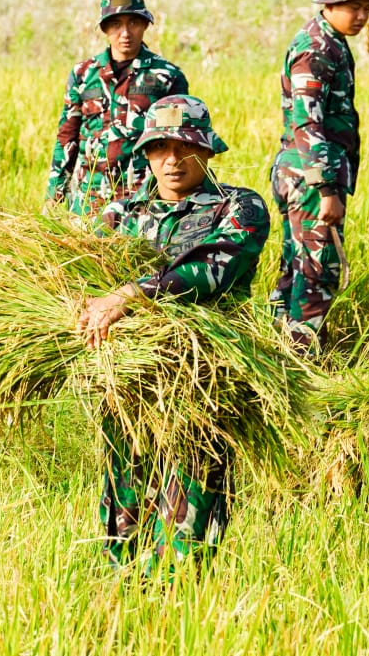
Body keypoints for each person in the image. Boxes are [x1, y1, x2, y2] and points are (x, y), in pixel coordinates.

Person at [78, 95, 270, 573]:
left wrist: (130, 294)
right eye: (159, 148)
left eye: (184, 147)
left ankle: (178, 617)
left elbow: (214, 270)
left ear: (205, 152)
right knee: (122, 518)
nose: (171, 160)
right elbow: (81, 280)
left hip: (202, 380)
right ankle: (117, 618)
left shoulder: (238, 206)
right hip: (126, 385)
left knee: (188, 527)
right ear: (145, 155)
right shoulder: (118, 217)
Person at [269, 0, 369, 352]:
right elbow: (307, 121)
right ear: (330, 5)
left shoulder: (332, 42)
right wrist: (326, 188)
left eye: (366, 7)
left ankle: (277, 348)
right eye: (354, 6)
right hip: (309, 176)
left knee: (298, 264)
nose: (362, 15)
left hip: (306, 173)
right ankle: (301, 358)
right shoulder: (316, 48)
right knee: (318, 269)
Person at [47, 0, 189, 216]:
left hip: (143, 199)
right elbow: (67, 136)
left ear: (145, 25)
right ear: (104, 29)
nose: (125, 33)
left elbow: (180, 141)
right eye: (116, 24)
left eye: (133, 23)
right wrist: (55, 194)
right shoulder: (83, 74)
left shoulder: (167, 77)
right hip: (89, 199)